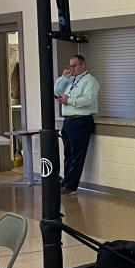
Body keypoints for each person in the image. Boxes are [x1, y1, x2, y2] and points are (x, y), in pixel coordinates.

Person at [53, 53, 100, 195]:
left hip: (81, 121)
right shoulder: (70, 80)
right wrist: (63, 78)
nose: (71, 68)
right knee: (68, 154)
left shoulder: (91, 81)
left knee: (77, 155)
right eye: (70, 66)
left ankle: (71, 186)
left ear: (82, 65)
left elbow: (89, 100)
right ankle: (66, 182)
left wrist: (70, 101)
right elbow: (57, 91)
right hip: (67, 121)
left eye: (74, 65)